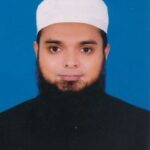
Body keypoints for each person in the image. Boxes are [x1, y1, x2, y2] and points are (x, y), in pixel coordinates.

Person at [0, 0, 149, 149]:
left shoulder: (143, 128)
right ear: (37, 51)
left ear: (105, 53)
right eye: (54, 49)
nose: (70, 63)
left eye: (86, 50)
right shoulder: (5, 129)